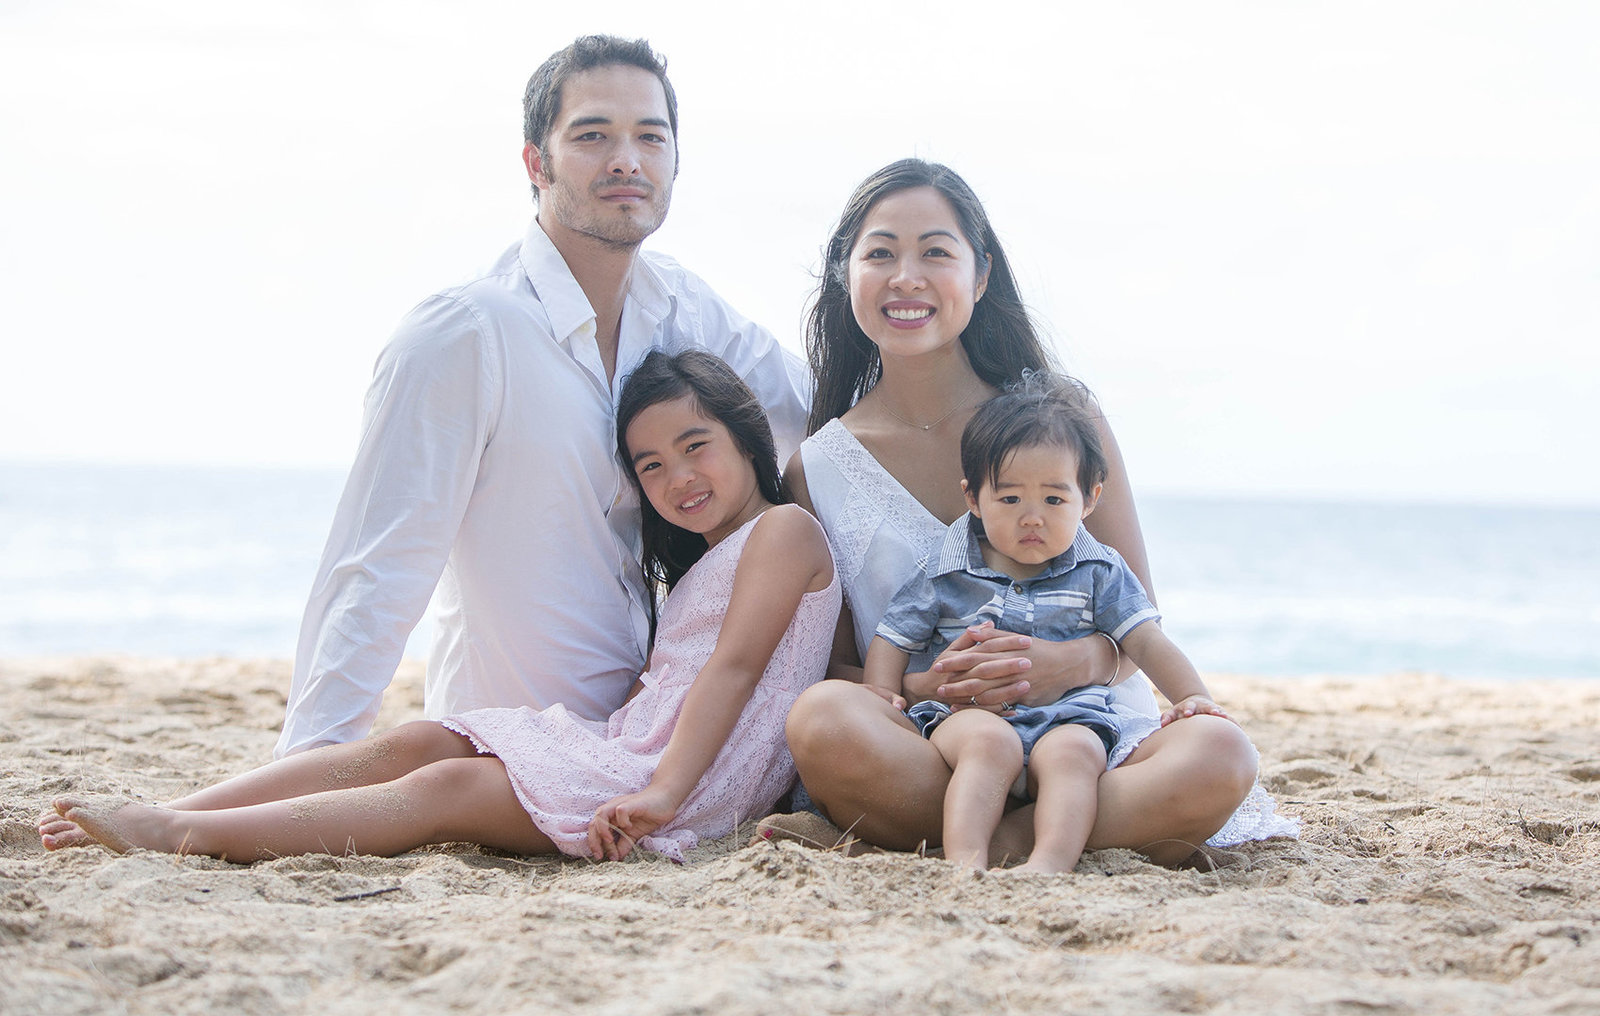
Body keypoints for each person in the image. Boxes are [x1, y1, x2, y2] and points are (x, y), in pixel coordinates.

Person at [40, 351, 838, 864]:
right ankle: (172, 806)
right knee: (425, 738)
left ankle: (187, 836)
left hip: (692, 778)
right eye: (651, 465)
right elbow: (680, 672)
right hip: (640, 745)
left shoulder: (784, 530)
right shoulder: (706, 559)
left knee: (448, 792)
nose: (678, 479)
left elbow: (733, 670)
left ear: (743, 434)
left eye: (696, 446)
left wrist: (661, 792)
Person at [275, 35, 809, 759]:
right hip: (501, 751)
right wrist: (308, 768)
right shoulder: (465, 334)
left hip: (648, 746)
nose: (627, 159)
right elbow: (377, 568)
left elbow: (824, 418)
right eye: (593, 136)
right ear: (537, 162)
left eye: (650, 137)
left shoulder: (686, 309)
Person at [771, 158, 1296, 868]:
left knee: (1222, 752)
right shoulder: (820, 465)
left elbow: (1135, 613)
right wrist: (935, 684)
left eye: (936, 252)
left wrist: (1060, 664)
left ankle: (998, 841)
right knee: (820, 719)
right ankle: (1062, 835)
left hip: (1091, 735)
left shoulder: (1063, 417)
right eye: (881, 253)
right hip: (939, 747)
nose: (907, 277)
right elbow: (840, 664)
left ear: (980, 276)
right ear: (846, 274)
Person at [864, 374, 1234, 872]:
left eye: (1054, 500)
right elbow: (894, 635)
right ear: (974, 498)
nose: (1032, 517)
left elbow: (1146, 641)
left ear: (1091, 498)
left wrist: (1191, 695)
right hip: (969, 717)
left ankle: (1049, 864)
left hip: (1067, 715)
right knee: (987, 745)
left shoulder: (1099, 570)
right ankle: (966, 861)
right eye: (1011, 499)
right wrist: (883, 691)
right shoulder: (944, 571)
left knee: (1078, 752)